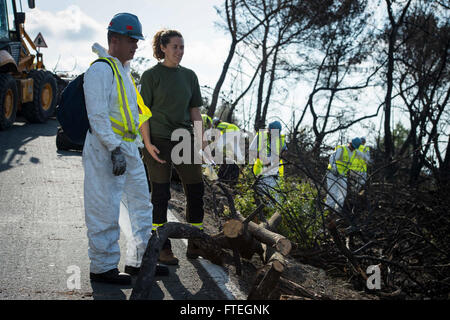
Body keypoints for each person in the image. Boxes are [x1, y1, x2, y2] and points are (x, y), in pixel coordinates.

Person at [83, 13, 167, 285]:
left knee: (141, 205)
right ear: (114, 39)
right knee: (104, 207)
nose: (135, 45)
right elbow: (97, 116)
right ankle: (102, 267)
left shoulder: (125, 73)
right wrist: (113, 147)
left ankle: (138, 260)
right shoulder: (100, 70)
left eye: (137, 40)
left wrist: (137, 146)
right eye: (131, 40)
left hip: (129, 147)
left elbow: (133, 113)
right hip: (105, 148)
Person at [140, 29, 205, 266]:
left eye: (182, 47)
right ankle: (162, 246)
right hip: (157, 139)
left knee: (196, 190)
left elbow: (195, 112)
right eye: (175, 47)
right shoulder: (150, 76)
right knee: (160, 194)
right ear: (163, 48)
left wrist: (201, 141)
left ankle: (195, 241)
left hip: (184, 138)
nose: (179, 51)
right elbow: (143, 113)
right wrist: (147, 143)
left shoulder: (190, 76)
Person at [249, 121, 287, 200]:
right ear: (268, 130)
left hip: (275, 174)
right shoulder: (260, 136)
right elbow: (251, 151)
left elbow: (284, 153)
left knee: (275, 201)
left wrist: (276, 159)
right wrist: (264, 159)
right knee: (261, 198)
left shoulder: (280, 138)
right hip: (261, 173)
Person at [325, 138, 362, 214]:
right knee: (332, 192)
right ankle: (328, 210)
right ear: (350, 144)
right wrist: (334, 168)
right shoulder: (341, 149)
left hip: (342, 175)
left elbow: (350, 166)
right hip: (332, 173)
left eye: (354, 148)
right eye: (352, 147)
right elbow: (332, 158)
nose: (353, 149)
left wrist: (354, 175)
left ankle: (337, 211)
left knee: (343, 193)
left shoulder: (353, 153)